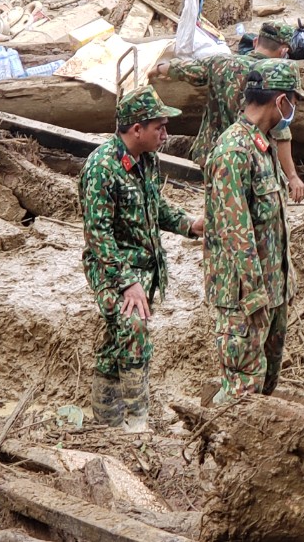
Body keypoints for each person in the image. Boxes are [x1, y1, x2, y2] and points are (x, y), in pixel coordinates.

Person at [79, 85, 204, 432]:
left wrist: (189, 224)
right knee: (133, 329)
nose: (165, 134)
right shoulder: (102, 167)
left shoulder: (146, 160)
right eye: (159, 127)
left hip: (143, 267)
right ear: (137, 130)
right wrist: (127, 282)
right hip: (112, 268)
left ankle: (106, 422)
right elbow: (98, 234)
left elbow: (155, 207)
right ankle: (137, 422)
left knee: (115, 340)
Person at [202, 59, 304, 404]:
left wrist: (283, 284)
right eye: (292, 101)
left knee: (265, 386)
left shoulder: (263, 146)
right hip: (245, 299)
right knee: (241, 393)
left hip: (271, 291)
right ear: (280, 101)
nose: (293, 110)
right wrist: (253, 295)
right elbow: (237, 232)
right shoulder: (233, 151)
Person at [150, 21, 304, 203]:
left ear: (255, 42)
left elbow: (185, 69)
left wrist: (157, 69)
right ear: (283, 51)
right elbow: (281, 134)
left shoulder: (221, 62)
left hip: (212, 154)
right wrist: (292, 176)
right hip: (252, 157)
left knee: (219, 208)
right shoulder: (273, 78)